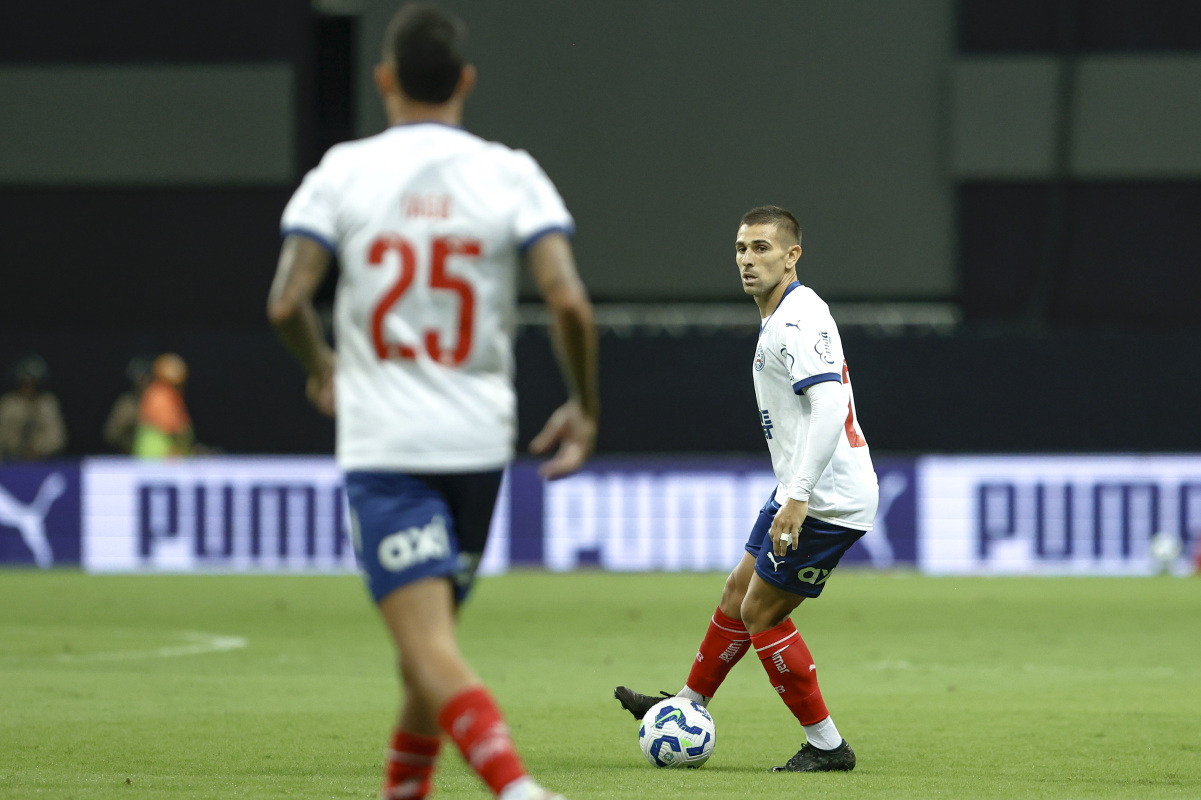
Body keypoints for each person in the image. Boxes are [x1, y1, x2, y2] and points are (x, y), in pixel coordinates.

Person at [267, 5, 599, 800]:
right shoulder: (508, 171)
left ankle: (516, 788)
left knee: (425, 646)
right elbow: (569, 304)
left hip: (387, 446)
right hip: (478, 444)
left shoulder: (342, 170)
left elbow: (286, 301)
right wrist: (584, 406)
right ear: (465, 82)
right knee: (427, 644)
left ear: (383, 81)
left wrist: (322, 366)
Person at [614, 206, 878, 773]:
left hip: (828, 498)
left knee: (761, 611)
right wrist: (794, 489)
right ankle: (686, 706)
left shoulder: (799, 318)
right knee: (739, 590)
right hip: (800, 486)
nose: (747, 259)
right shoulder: (779, 315)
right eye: (740, 248)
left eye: (761, 248)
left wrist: (801, 496)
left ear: (792, 255)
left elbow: (830, 404)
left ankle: (828, 747)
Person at [0, 355, 67, 461]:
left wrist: (38, 448)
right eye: (25, 381)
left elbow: (58, 438)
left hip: (42, 461)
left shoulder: (47, 403)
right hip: (11, 460)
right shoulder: (8, 404)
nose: (29, 385)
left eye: (32, 381)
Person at [132, 353, 195, 458]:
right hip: (158, 457)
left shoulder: (167, 394)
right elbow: (174, 426)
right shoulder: (160, 395)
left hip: (162, 457)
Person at [103, 356, 154, 454]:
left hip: (161, 461)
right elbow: (110, 435)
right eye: (142, 378)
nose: (145, 382)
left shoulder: (163, 402)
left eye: (149, 378)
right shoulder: (127, 403)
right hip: (129, 458)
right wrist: (129, 424)